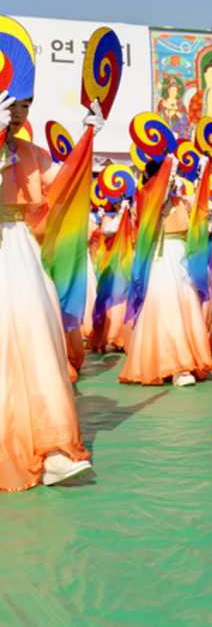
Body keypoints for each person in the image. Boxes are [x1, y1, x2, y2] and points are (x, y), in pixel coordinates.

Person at [0, 85, 92, 489]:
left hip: (21, 249)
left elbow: (67, 182)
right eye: (11, 105)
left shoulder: (33, 153)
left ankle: (52, 448)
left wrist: (89, 135)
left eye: (25, 105)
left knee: (39, 340)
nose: (18, 113)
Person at [119, 159, 212, 387]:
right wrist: (167, 174)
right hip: (158, 260)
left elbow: (202, 205)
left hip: (179, 258)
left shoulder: (181, 201)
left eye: (174, 174)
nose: (173, 178)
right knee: (163, 307)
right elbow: (153, 204)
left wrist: (202, 174)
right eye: (167, 174)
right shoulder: (145, 197)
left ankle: (183, 365)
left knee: (183, 306)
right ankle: (163, 364)